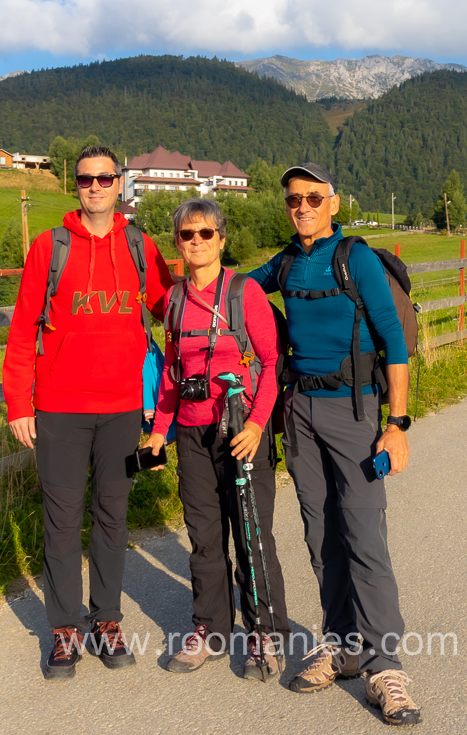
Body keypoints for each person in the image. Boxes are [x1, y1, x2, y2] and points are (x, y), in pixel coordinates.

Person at [247, 162, 421, 726]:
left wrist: (397, 423)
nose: (302, 207)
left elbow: (395, 342)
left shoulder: (357, 259)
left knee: (364, 533)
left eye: (313, 198)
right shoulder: (287, 261)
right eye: (294, 199)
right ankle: (342, 645)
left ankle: (385, 664)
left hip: (356, 411)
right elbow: (239, 289)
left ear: (334, 203)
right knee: (321, 533)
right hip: (301, 411)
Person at [3, 144, 174, 680]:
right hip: (59, 407)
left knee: (112, 515)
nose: (95, 186)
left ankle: (106, 620)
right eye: (85, 179)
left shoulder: (139, 245)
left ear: (120, 183)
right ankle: (62, 631)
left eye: (104, 178)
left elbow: (172, 305)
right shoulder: (48, 248)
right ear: (74, 185)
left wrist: (232, 302)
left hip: (124, 408)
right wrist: (18, 402)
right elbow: (22, 328)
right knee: (61, 520)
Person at [144, 198, 289, 681]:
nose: (197, 242)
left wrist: (255, 426)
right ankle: (209, 627)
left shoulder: (243, 293)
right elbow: (169, 372)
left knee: (251, 536)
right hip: (191, 432)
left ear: (222, 240)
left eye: (206, 233)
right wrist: (158, 432)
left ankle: (265, 633)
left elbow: (271, 364)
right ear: (178, 245)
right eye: (188, 235)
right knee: (204, 537)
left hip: (241, 431)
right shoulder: (175, 302)